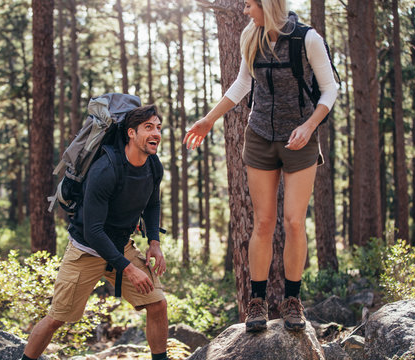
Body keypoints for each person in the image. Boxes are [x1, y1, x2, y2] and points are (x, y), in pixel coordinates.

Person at [184, 0, 337, 332]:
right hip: (260, 136)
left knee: (294, 222)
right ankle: (257, 303)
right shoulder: (250, 37)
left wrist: (309, 126)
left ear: (268, 4)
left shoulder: (307, 39)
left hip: (300, 136)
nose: (244, 11)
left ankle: (293, 301)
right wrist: (209, 120)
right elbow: (242, 84)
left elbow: (330, 89)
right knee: (263, 222)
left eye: (250, 4)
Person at [22, 105, 170, 360]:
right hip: (86, 251)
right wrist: (128, 268)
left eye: (158, 127)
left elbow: (153, 203)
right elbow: (93, 231)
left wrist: (154, 242)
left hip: (121, 247)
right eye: (149, 127)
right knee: (57, 318)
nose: (156, 132)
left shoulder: (153, 166)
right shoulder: (106, 170)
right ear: (131, 133)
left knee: (157, 304)